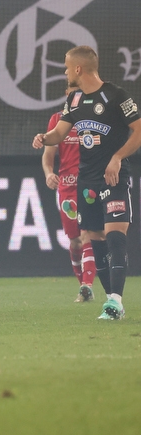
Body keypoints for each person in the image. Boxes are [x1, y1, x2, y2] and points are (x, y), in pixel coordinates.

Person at [33, 46, 141, 321]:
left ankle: (115, 301)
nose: (66, 72)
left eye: (68, 68)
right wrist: (44, 138)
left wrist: (117, 157)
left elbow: (139, 130)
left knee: (116, 234)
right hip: (86, 181)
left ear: (78, 69)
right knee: (96, 238)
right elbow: (59, 133)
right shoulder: (75, 100)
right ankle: (111, 301)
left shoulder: (117, 95)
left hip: (114, 177)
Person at [42, 87, 96, 303]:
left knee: (88, 234)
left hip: (89, 184)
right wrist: (48, 174)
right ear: (67, 93)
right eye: (74, 92)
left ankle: (87, 285)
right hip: (67, 186)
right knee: (75, 241)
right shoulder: (57, 120)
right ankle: (82, 286)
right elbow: (48, 155)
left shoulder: (94, 120)